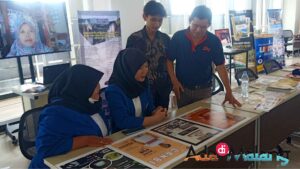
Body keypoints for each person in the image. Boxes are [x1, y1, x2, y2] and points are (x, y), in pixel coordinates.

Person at [29, 64, 112, 168]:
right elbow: (45, 149)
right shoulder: (55, 113)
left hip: (85, 159)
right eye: (95, 89)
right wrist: (85, 140)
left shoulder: (90, 104)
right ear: (80, 88)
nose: (98, 94)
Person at [166, 5, 241, 108]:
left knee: (203, 118)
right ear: (190, 20)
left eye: (203, 27)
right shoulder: (178, 37)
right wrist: (174, 81)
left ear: (209, 25)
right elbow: (169, 61)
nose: (198, 30)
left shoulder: (213, 41)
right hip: (182, 89)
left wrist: (228, 90)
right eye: (195, 25)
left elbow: (220, 66)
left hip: (204, 90)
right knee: (183, 119)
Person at [105, 48, 167, 133]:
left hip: (143, 131)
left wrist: (157, 111)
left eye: (146, 66)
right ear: (128, 69)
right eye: (139, 68)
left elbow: (150, 109)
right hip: (122, 136)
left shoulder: (143, 84)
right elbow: (122, 122)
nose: (145, 71)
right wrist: (154, 119)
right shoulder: (113, 91)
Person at [126, 1, 172, 109]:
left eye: (160, 20)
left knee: (163, 118)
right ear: (145, 17)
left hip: (163, 88)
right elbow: (129, 65)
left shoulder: (165, 39)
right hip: (142, 88)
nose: (157, 24)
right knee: (147, 118)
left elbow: (169, 62)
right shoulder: (134, 39)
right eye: (153, 20)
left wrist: (171, 83)